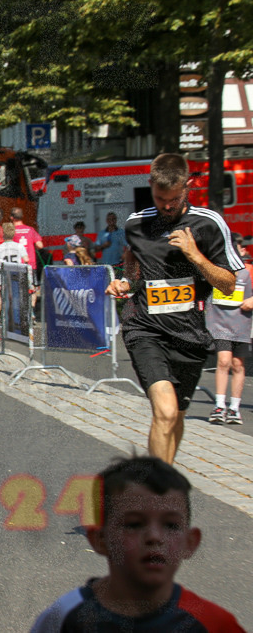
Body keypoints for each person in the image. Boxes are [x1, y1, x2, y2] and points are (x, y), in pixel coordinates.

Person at [106, 153, 244, 465]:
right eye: (160, 198)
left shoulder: (208, 223)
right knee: (165, 411)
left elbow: (227, 284)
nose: (167, 206)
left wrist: (195, 255)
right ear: (150, 185)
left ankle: (163, 483)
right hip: (145, 329)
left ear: (188, 187)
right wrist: (125, 283)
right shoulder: (136, 224)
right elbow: (134, 270)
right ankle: (156, 491)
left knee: (176, 415)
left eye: (174, 198)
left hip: (189, 334)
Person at [30, 456, 244, 632]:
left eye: (170, 525)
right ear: (99, 540)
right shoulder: (64, 618)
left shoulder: (214, 624)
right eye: (134, 524)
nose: (154, 537)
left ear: (190, 542)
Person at [208, 233, 252, 426]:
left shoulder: (247, 270)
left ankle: (234, 407)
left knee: (237, 364)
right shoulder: (213, 269)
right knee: (224, 361)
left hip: (241, 323)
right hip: (220, 324)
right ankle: (219, 406)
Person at [0, 223, 30, 327]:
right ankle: (16, 319)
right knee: (16, 296)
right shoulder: (19, 246)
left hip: (3, 275)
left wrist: (0, 266)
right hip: (16, 275)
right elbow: (26, 260)